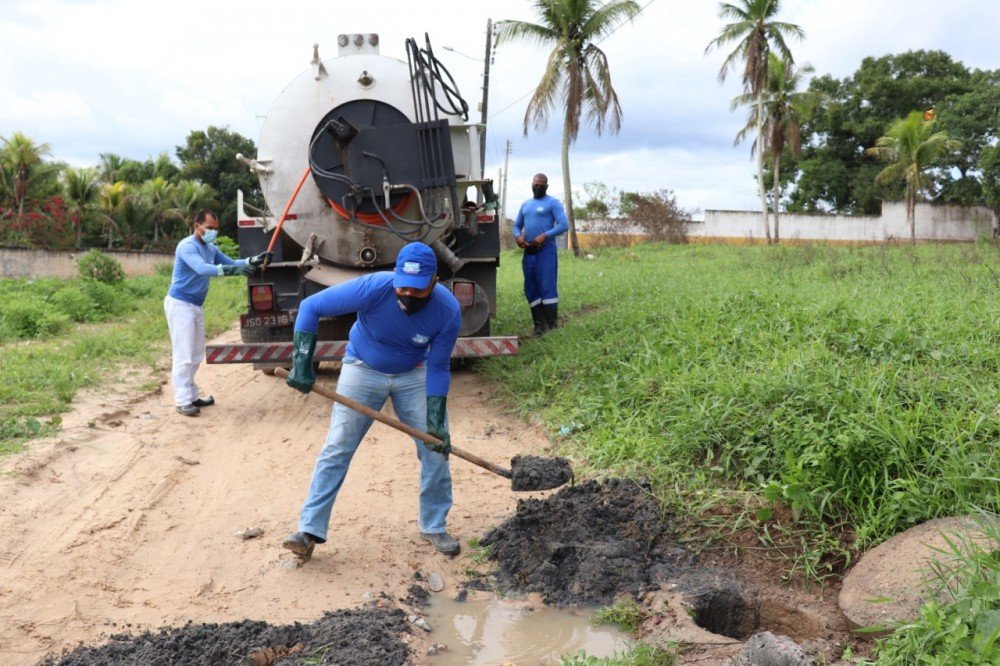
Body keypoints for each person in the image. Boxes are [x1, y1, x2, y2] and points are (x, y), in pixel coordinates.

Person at [282, 241, 462, 561]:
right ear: (394, 277)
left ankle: (434, 525)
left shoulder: (447, 310)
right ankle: (308, 530)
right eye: (403, 287)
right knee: (338, 446)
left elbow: (438, 365)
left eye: (417, 290)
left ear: (434, 281)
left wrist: (436, 418)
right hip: (362, 369)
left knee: (435, 447)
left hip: (414, 375)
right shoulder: (375, 288)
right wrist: (301, 363)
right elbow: (311, 308)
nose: (407, 295)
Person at [164, 210, 270, 417]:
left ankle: (192, 395)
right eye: (209, 228)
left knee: (195, 354)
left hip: (195, 305)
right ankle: (182, 400)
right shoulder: (187, 247)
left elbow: (232, 263)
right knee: (183, 354)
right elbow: (203, 269)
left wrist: (252, 260)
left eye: (215, 229)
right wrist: (234, 271)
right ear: (197, 225)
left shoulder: (210, 248)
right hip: (180, 305)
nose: (213, 232)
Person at [513, 173, 568, 336]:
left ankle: (552, 327)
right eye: (535, 184)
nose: (538, 187)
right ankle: (538, 326)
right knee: (531, 287)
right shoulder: (525, 205)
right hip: (529, 251)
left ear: (546, 187)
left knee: (546, 286)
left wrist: (545, 235)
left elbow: (564, 225)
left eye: (541, 185)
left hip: (545, 250)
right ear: (531, 184)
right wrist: (518, 237)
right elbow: (516, 226)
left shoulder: (553, 203)